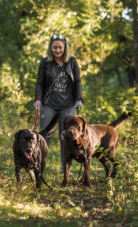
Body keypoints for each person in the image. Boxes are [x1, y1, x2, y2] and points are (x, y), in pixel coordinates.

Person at [34, 33, 83, 175]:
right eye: (54, 47)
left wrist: (79, 98)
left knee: (67, 137)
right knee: (44, 136)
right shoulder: (45, 62)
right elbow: (39, 82)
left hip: (68, 105)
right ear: (51, 48)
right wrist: (38, 99)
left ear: (64, 48)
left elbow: (78, 81)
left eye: (60, 47)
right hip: (49, 104)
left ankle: (66, 168)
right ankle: (38, 165)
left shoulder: (72, 62)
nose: (57, 50)